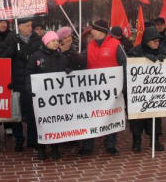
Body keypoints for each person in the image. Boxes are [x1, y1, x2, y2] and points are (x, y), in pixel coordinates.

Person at [78, 19, 126, 156]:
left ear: (102, 32)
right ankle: (87, 146)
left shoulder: (116, 45)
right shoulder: (90, 45)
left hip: (112, 91)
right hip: (93, 90)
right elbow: (82, 61)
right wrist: (73, 60)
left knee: (111, 117)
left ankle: (110, 145)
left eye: (94, 29)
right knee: (90, 117)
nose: (91, 31)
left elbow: (124, 64)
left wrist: (123, 86)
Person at [27, 31, 68, 160]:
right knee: (41, 123)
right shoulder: (36, 56)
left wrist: (68, 71)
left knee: (55, 122)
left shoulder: (61, 57)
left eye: (57, 40)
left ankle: (55, 147)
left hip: (56, 97)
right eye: (53, 40)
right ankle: (41, 148)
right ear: (46, 42)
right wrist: (30, 88)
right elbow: (29, 73)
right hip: (41, 97)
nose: (56, 43)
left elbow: (67, 71)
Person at [129, 26, 166, 152]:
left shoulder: (161, 50)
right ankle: (137, 141)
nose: (157, 44)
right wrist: (145, 59)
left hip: (154, 92)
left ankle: (154, 141)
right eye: (154, 41)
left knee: (155, 118)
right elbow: (130, 67)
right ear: (147, 41)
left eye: (158, 41)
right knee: (137, 119)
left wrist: (163, 58)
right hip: (139, 92)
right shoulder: (135, 51)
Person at [9, 18, 42, 152]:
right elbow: (5, 58)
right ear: (19, 27)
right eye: (27, 26)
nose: (30, 28)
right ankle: (18, 140)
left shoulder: (37, 41)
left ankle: (32, 139)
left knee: (31, 114)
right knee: (16, 114)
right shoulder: (12, 40)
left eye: (31, 25)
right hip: (16, 82)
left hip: (31, 82)